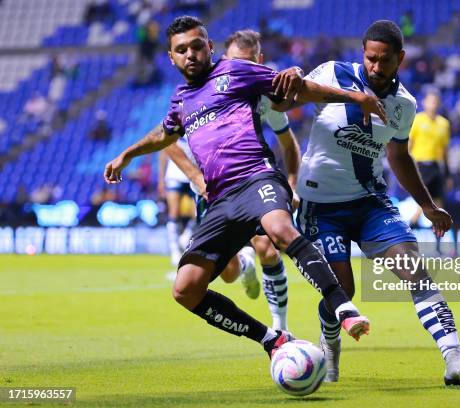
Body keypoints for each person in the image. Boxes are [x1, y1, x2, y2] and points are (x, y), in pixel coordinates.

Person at [104, 16, 385, 357]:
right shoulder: (180, 99)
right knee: (186, 288)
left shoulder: (235, 71)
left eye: (196, 46)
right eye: (182, 50)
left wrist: (356, 98)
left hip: (256, 176)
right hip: (220, 199)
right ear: (171, 57)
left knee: (279, 230)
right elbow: (165, 134)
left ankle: (342, 307)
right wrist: (127, 154)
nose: (190, 54)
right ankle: (272, 339)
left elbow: (295, 88)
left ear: (209, 47)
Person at [293, 20, 460, 385]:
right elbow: (292, 97)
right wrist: (294, 75)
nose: (376, 68)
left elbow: (399, 156)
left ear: (401, 59)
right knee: (342, 290)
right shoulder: (332, 72)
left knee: (415, 269)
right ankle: (329, 345)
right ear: (362, 53)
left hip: (369, 203)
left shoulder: (405, 104)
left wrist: (427, 205)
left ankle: (453, 358)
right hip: (321, 208)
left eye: (384, 61)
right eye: (370, 59)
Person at [160, 29, 299, 330]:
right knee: (229, 272)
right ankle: (244, 265)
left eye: (248, 63)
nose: (241, 71)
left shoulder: (264, 97)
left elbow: (289, 145)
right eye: (235, 62)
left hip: (253, 181)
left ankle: (281, 328)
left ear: (259, 62)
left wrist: (291, 184)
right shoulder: (201, 91)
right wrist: (197, 178)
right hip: (215, 191)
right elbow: (167, 140)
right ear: (223, 59)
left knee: (268, 248)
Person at [408, 88, 451, 225]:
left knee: (438, 203)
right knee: (424, 203)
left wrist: (448, 174)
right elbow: (409, 145)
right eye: (431, 101)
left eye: (436, 102)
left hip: (436, 166)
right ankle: (409, 230)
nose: (433, 104)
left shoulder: (444, 124)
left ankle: (439, 239)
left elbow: (445, 151)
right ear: (424, 102)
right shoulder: (417, 120)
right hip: (420, 166)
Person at [157, 137, 198, 267]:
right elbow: (164, 152)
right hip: (175, 174)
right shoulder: (173, 124)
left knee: (198, 213)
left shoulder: (197, 122)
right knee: (173, 212)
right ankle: (174, 250)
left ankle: (186, 237)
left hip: (193, 173)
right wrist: (161, 179)